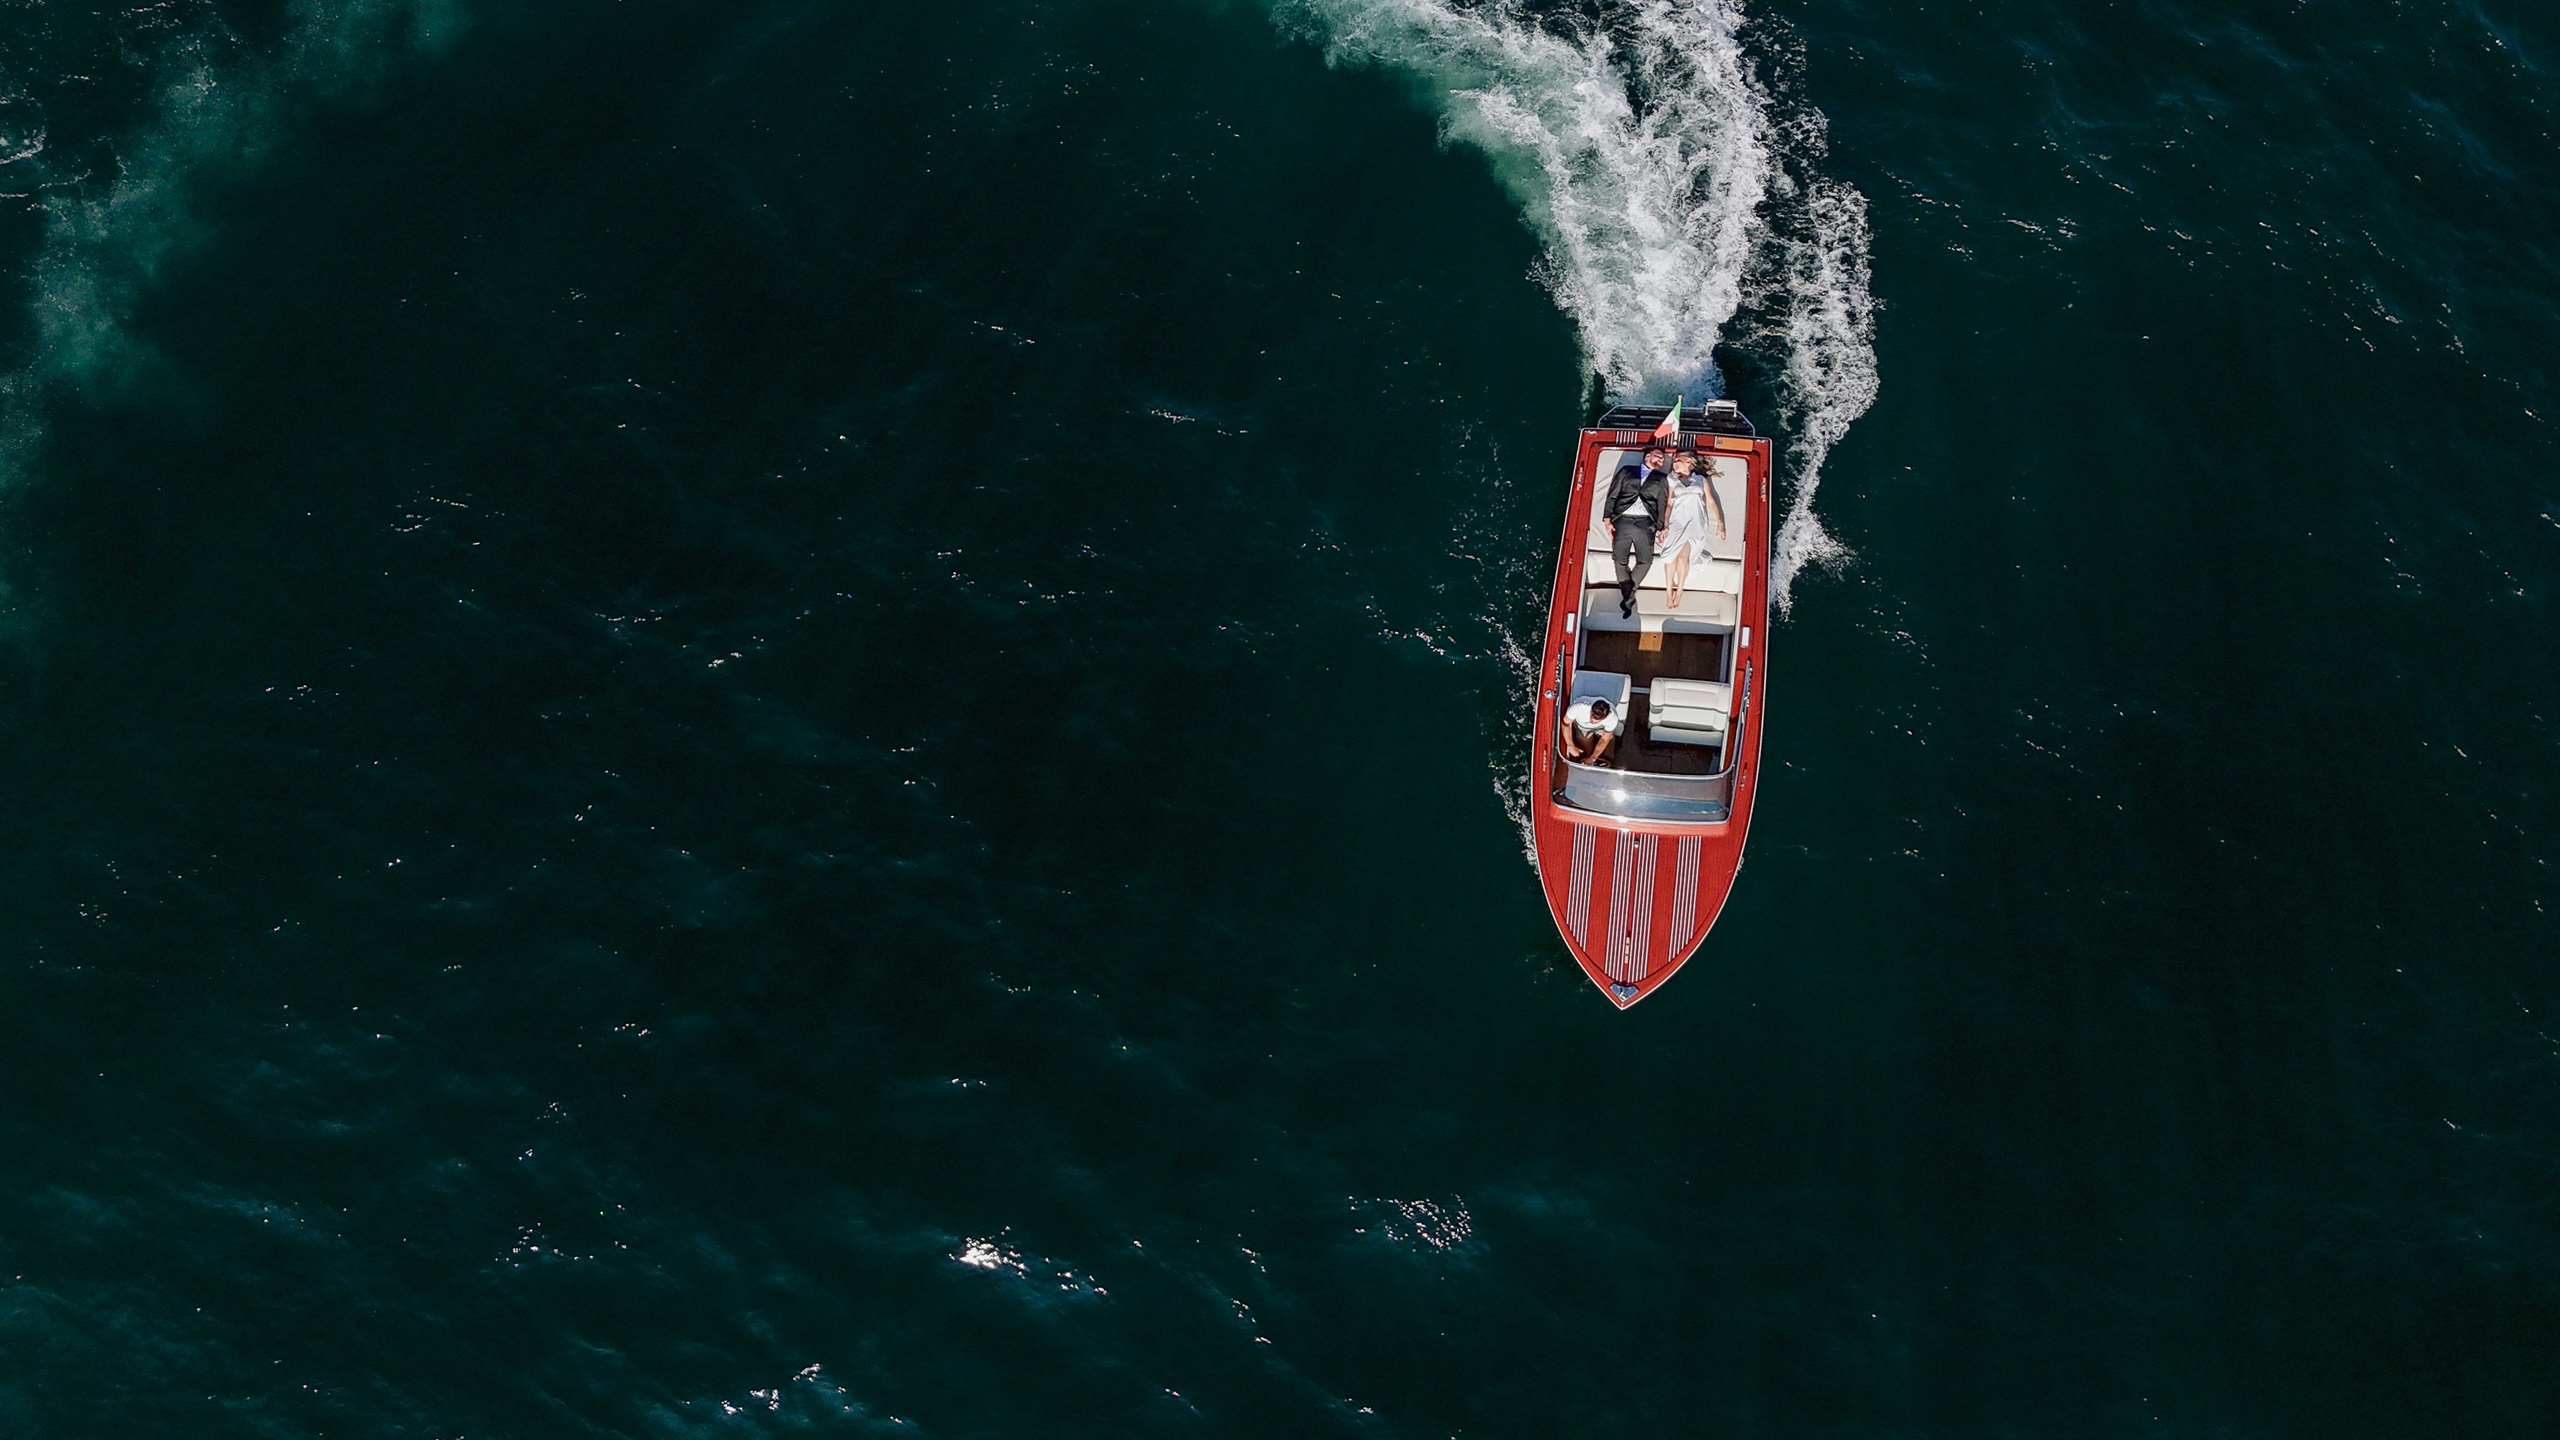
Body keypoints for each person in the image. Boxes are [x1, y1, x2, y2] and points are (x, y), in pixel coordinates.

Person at [1657, 449, 1729, 610]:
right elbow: (1669, 503)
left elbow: (1710, 501)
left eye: (1678, 460)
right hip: (1677, 521)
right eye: (1674, 461)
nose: (1674, 463)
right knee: (1669, 557)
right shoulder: (1671, 479)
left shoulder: (1700, 480)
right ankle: (1668, 591)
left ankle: (1680, 590)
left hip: (1696, 522)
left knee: (1683, 559)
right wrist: (1665, 525)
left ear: (1689, 462)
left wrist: (1720, 523)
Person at [1604, 447, 1670, 619]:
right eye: (1658, 457)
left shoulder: (1661, 479)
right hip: (1623, 519)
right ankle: (1628, 598)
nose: (1661, 461)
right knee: (1620, 560)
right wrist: (1607, 519)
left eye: (1663, 459)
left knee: (1645, 561)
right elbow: (1612, 495)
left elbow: (1661, 505)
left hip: (1645, 523)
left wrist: (1661, 528)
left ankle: (1628, 597)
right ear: (1647, 457)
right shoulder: (1627, 472)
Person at [1561, 695, 1620, 766]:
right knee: (1586, 751)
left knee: (1609, 749)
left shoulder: (1612, 718)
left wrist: (1593, 758)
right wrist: (1571, 745)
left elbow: (1604, 739)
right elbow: (1565, 723)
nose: (1593, 721)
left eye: (1597, 720)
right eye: (1592, 717)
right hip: (1583, 727)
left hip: (1601, 728)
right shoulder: (1578, 707)